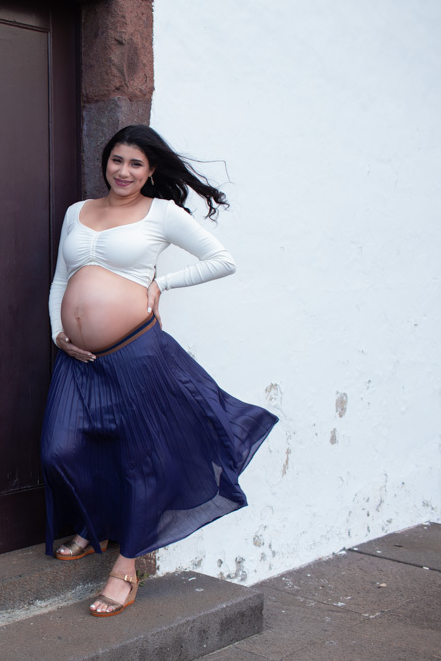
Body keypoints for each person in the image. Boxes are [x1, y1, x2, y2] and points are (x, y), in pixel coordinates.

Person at [40, 125, 278, 617]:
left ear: (150, 172)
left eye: (135, 164)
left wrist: (160, 283)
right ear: (104, 162)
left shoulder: (162, 214)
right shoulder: (76, 213)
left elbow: (221, 260)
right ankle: (96, 523)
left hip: (135, 352)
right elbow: (61, 278)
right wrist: (56, 333)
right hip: (77, 358)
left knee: (139, 460)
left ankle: (125, 568)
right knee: (58, 449)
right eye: (117, 160)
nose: (123, 171)